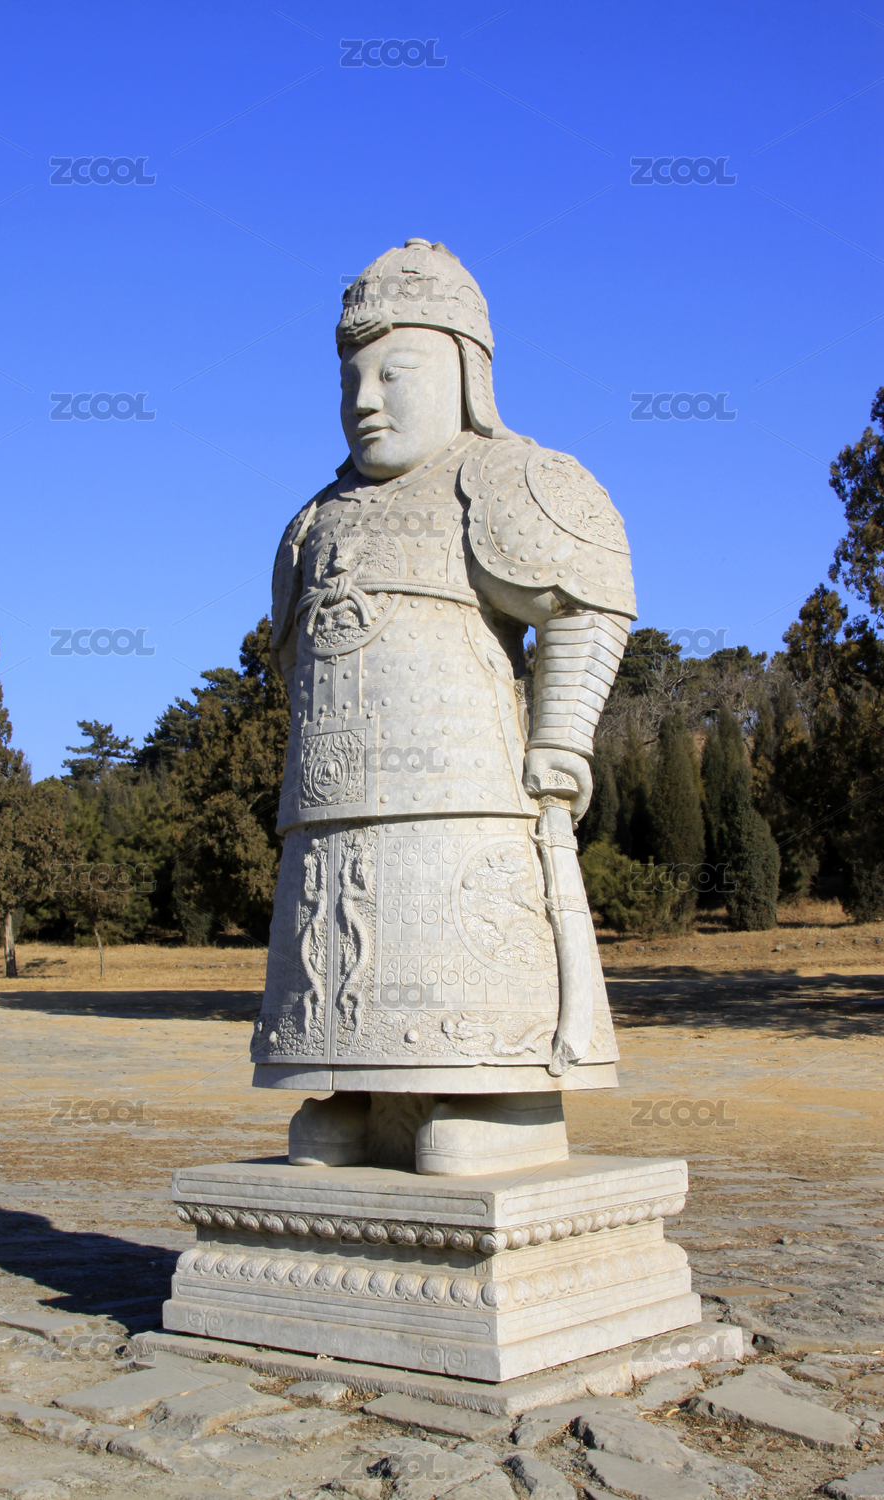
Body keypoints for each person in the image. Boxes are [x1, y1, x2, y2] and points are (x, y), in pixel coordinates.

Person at [251, 240, 636, 1175]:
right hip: (332, 806)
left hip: (465, 798)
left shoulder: (503, 479)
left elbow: (587, 600)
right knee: (335, 955)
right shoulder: (313, 520)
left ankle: (500, 1094)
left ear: (465, 372)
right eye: (351, 378)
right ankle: (353, 1088)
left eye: (395, 372)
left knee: (459, 954)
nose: (366, 399)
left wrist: (560, 741)